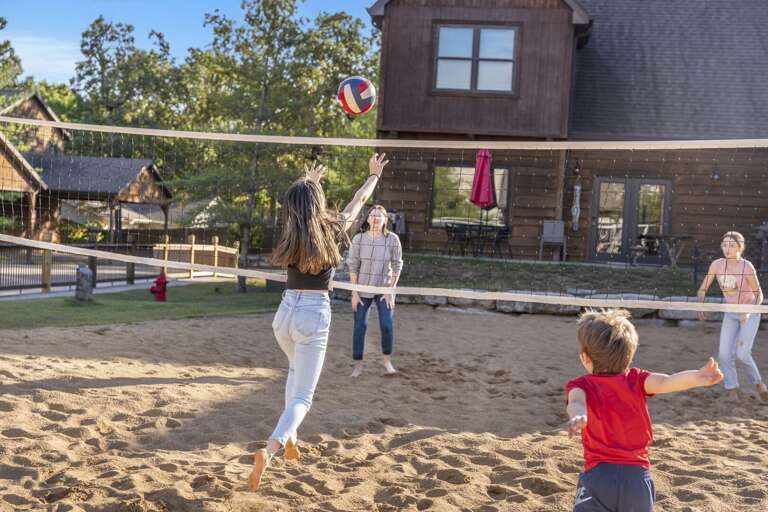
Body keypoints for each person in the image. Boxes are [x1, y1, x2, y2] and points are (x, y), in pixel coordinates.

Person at [248, 153, 389, 491]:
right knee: (303, 398)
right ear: (319, 202)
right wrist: (373, 176)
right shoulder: (333, 227)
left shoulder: (292, 231)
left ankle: (291, 441)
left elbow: (302, 203)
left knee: (295, 372)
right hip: (313, 314)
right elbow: (360, 200)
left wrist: (309, 182)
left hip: (284, 314)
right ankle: (270, 449)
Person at [566, 309, 723, 511]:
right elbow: (667, 382)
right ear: (629, 355)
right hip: (637, 480)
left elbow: (576, 401)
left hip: (597, 479)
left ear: (585, 358)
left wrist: (579, 416)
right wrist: (696, 377)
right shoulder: (637, 379)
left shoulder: (580, 385)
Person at [697, 231, 768, 401]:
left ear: (740, 248)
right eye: (724, 244)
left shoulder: (747, 267)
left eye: (731, 245)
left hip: (750, 311)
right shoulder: (717, 265)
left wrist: (748, 311)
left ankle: (759, 385)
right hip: (731, 312)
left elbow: (759, 295)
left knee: (742, 354)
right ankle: (732, 390)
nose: (727, 248)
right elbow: (702, 289)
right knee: (724, 354)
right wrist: (700, 304)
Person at [347, 205, 403, 377]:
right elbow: (353, 266)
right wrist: (354, 293)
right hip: (362, 289)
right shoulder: (359, 239)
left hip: (384, 289)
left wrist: (391, 290)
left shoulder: (392, 239)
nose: (376, 218)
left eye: (380, 216)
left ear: (386, 219)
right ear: (368, 218)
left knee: (387, 326)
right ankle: (358, 365)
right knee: (360, 327)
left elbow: (397, 264)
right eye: (373, 215)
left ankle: (387, 362)